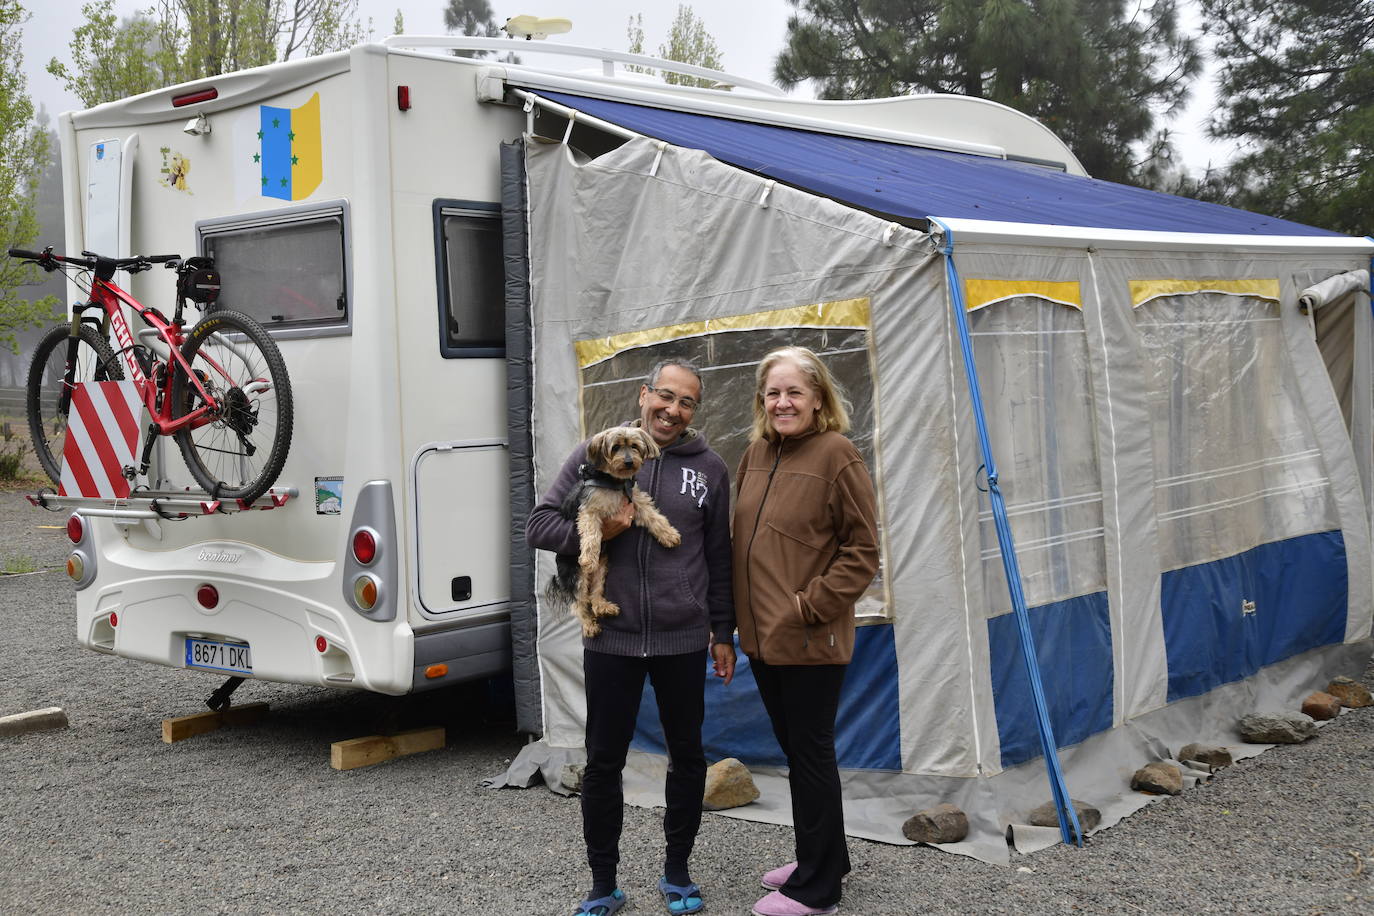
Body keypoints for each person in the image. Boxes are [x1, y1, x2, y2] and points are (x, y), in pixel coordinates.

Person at [527, 358, 737, 916]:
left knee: (687, 757)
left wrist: (723, 630)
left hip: (683, 636)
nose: (673, 409)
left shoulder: (710, 468)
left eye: (686, 401)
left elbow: (719, 554)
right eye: (665, 396)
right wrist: (601, 530)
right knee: (603, 761)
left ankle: (678, 872)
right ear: (644, 396)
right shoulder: (594, 452)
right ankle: (602, 883)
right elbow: (539, 524)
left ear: (695, 410)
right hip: (612, 636)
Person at [731, 346, 880, 916]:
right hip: (764, 639)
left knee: (811, 756)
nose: (783, 402)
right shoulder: (755, 454)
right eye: (773, 393)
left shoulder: (837, 453)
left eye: (794, 391)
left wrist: (808, 606)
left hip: (811, 638)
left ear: (818, 398)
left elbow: (863, 550)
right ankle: (824, 857)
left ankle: (819, 891)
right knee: (800, 755)